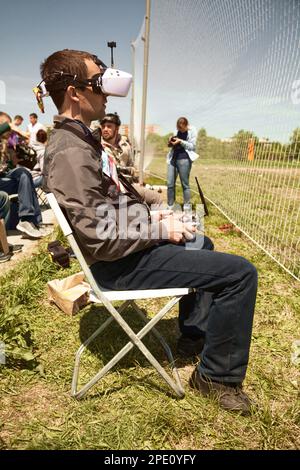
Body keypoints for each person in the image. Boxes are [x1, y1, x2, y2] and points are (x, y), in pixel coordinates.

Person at [41, 49, 258, 414]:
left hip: (126, 250)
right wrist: (157, 228)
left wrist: (159, 217)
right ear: (75, 93)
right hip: (118, 265)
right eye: (99, 83)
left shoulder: (78, 140)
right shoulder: (70, 152)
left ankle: (193, 336)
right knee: (240, 274)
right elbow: (100, 238)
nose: (107, 93)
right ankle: (217, 378)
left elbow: (107, 205)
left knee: (201, 239)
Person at [100, 113, 163, 207]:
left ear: (116, 129)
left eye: (109, 126)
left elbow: (132, 166)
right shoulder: (99, 146)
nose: (105, 129)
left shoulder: (125, 146)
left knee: (148, 200)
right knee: (156, 198)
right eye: (103, 126)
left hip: (129, 185)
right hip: (114, 188)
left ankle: (151, 219)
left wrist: (137, 180)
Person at [0, 112, 44, 238]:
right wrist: (12, 127)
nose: (11, 129)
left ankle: (31, 221)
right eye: (7, 126)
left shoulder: (6, 144)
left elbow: (11, 166)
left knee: (25, 175)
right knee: (25, 175)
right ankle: (29, 221)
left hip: (4, 179)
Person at [167, 117, 198, 209]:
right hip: (173, 159)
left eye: (181, 128)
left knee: (185, 184)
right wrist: (170, 142)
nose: (179, 130)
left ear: (186, 125)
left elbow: (192, 147)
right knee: (170, 184)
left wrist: (181, 141)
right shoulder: (176, 131)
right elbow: (171, 145)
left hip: (184, 159)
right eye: (178, 128)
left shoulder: (192, 130)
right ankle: (170, 206)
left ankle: (187, 207)